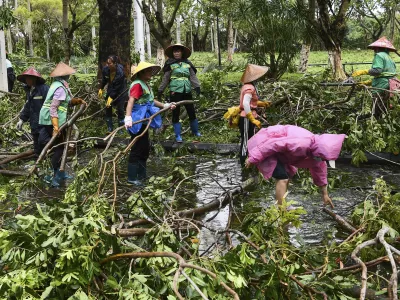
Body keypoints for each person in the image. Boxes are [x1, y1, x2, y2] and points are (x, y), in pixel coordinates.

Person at [246, 125, 346, 208]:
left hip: (281, 154)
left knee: (287, 176)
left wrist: (325, 194)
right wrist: (253, 157)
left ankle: (282, 203)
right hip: (264, 144)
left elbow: (320, 171)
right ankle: (281, 211)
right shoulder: (302, 143)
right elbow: (273, 144)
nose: (322, 160)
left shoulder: (318, 154)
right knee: (282, 178)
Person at [124, 61, 176, 186]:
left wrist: (165, 105)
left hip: (145, 118)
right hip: (138, 118)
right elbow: (131, 101)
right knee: (137, 147)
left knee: (144, 148)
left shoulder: (145, 85)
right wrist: (128, 117)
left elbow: (151, 101)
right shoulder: (137, 85)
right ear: (141, 73)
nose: (150, 73)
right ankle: (132, 178)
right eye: (148, 71)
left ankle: (142, 176)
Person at [38, 62, 86, 187]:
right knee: (59, 148)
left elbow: (66, 102)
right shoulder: (60, 88)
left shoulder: (58, 85)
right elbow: (53, 108)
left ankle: (59, 172)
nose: (69, 76)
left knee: (60, 146)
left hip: (50, 119)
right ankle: (55, 175)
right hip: (53, 120)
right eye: (68, 75)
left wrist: (77, 101)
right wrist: (56, 127)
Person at [157, 43, 201, 142]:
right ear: (173, 53)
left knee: (191, 111)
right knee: (175, 113)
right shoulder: (170, 64)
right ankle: (178, 136)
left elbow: (192, 76)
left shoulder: (187, 63)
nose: (176, 53)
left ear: (182, 53)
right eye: (175, 51)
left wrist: (197, 86)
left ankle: (195, 132)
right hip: (175, 91)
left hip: (187, 90)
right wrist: (161, 89)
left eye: (178, 51)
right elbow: (166, 78)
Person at [351, 37, 397, 117]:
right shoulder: (390, 58)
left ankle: (378, 124)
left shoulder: (379, 55)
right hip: (392, 86)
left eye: (374, 49)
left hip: (382, 88)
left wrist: (362, 72)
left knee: (377, 110)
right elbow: (386, 75)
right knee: (387, 109)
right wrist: (368, 83)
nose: (374, 51)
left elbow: (377, 71)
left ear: (377, 48)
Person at [238, 64, 271, 166]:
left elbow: (251, 101)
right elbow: (245, 103)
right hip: (246, 118)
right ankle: (243, 162)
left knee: (251, 139)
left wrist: (261, 103)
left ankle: (250, 160)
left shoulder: (250, 86)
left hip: (251, 116)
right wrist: (251, 118)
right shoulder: (249, 87)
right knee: (246, 140)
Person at [16, 67, 50, 156]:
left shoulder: (44, 89)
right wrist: (22, 120)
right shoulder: (29, 91)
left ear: (35, 78)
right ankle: (38, 164)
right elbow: (28, 106)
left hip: (44, 123)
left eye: (30, 78)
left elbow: (51, 105)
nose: (28, 80)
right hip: (34, 123)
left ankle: (50, 158)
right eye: (26, 78)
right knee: (36, 147)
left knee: (43, 141)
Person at [98, 55, 128, 132]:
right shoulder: (105, 69)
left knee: (120, 109)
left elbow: (117, 87)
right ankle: (110, 128)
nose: (107, 65)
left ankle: (120, 129)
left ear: (115, 63)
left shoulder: (120, 72)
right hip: (111, 88)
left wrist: (111, 97)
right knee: (108, 106)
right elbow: (104, 80)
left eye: (110, 63)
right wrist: (101, 89)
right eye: (107, 63)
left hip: (121, 90)